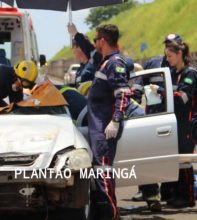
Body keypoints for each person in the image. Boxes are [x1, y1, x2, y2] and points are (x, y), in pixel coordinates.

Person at [87, 24, 130, 220]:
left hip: (105, 127)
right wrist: (77, 35)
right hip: (99, 126)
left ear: (103, 41)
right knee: (101, 170)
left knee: (103, 170)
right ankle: (110, 212)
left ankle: (110, 214)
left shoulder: (115, 63)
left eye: (97, 39)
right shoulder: (105, 61)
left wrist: (115, 120)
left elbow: (123, 94)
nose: (95, 42)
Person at [153, 34, 197, 208]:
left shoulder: (190, 74)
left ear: (179, 54)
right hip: (176, 122)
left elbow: (183, 98)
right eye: (166, 56)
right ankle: (175, 194)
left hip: (188, 122)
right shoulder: (173, 73)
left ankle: (187, 197)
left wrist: (161, 92)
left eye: (170, 56)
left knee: (184, 160)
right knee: (176, 159)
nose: (167, 59)